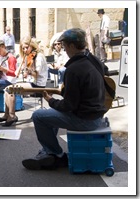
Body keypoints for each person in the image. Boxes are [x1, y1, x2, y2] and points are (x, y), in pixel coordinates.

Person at [22, 28, 107, 170]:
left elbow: (69, 105)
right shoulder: (94, 60)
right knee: (50, 114)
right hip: (96, 114)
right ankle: (49, 151)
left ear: (73, 46)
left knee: (38, 116)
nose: (64, 49)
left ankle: (57, 155)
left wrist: (51, 100)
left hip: (85, 119)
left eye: (65, 45)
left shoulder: (73, 69)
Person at [0, 36, 48, 126]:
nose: (25, 50)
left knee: (10, 89)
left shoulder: (39, 56)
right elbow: (16, 73)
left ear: (32, 46)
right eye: (23, 48)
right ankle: (7, 115)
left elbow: (36, 74)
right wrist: (21, 67)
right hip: (31, 83)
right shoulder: (29, 57)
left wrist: (28, 71)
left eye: (26, 47)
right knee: (7, 89)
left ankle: (12, 116)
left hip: (38, 85)